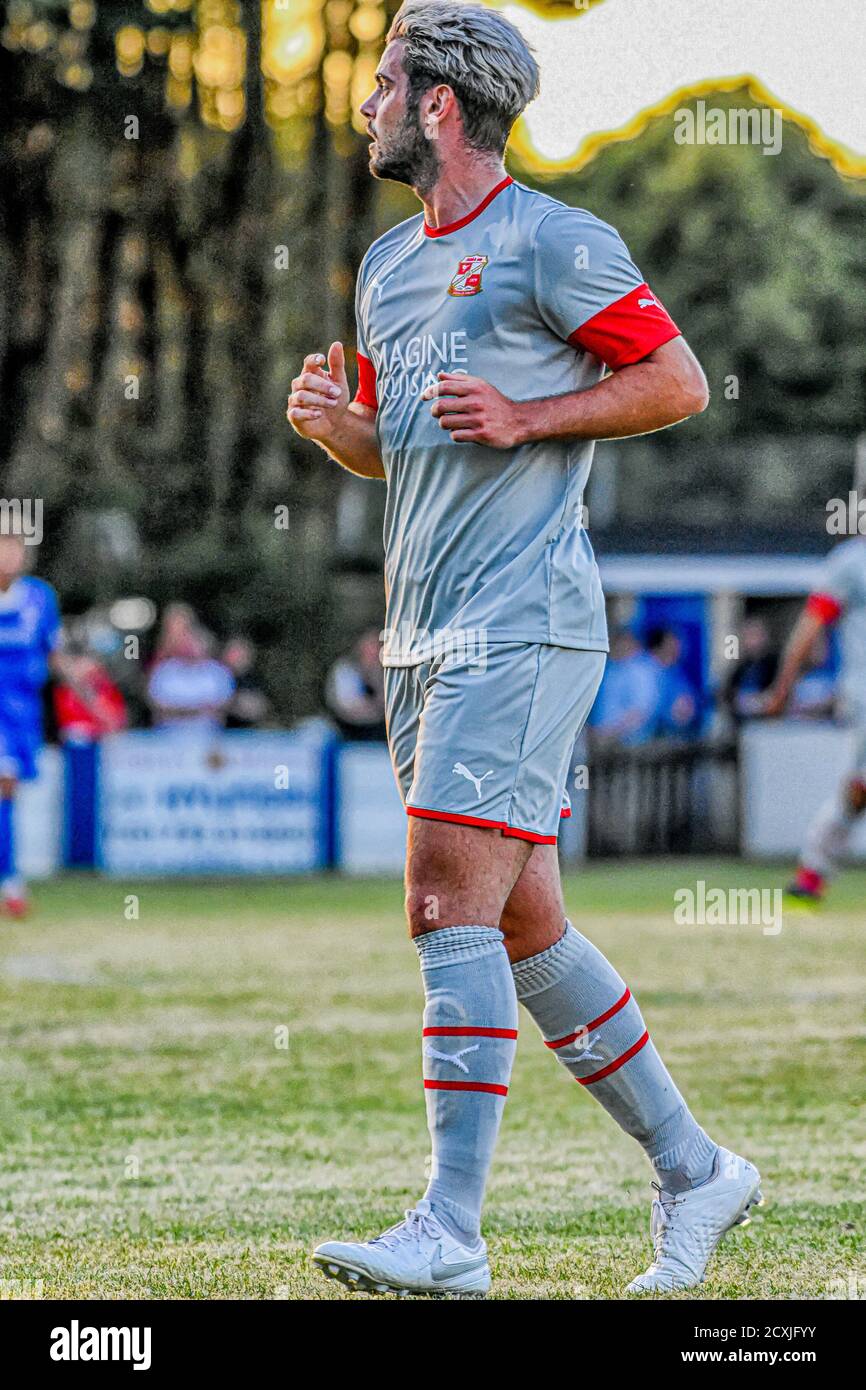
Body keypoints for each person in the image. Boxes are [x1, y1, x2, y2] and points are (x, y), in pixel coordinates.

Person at [287, 1, 759, 1298]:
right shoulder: (388, 267)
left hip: (525, 621)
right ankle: (693, 1166)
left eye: (385, 82)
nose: (367, 102)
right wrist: (342, 431)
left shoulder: (553, 240)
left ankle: (448, 1227)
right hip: (425, 635)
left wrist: (532, 409)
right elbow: (417, 452)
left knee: (443, 896)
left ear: (438, 104)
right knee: (518, 920)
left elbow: (673, 380)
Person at [765, 535, 866, 904]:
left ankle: (812, 872)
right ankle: (812, 872)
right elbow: (810, 627)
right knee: (858, 790)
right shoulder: (852, 562)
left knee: (858, 790)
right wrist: (782, 688)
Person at [0, 533, 62, 917]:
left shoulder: (40, 597)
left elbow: (51, 652)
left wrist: (85, 690)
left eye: (16, 547)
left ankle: (9, 878)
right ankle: (11, 882)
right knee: (4, 782)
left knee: (9, 793)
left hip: (23, 712)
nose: (10, 554)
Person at [147, 625, 235, 733]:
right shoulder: (164, 671)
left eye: (195, 643)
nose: (190, 648)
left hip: (208, 734)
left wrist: (181, 709)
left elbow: (223, 705)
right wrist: (196, 709)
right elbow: (158, 705)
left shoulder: (218, 673)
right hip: (168, 734)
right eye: (187, 644)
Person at [588, 626, 659, 746]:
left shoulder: (640, 672)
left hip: (629, 745)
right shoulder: (611, 668)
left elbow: (640, 712)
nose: (618, 647)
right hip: (600, 740)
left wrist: (609, 733)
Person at [53, 640, 128, 742]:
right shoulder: (63, 691)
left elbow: (114, 723)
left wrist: (88, 695)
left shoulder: (104, 688)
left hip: (102, 742)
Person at [324, 628, 387, 741]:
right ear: (361, 648)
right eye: (370, 647)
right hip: (347, 728)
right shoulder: (345, 669)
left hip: (375, 728)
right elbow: (349, 706)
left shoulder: (381, 671)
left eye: (376, 647)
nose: (373, 652)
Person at [722, 615, 778, 722]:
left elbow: (779, 692)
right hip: (742, 724)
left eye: (755, 635)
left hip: (767, 724)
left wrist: (762, 699)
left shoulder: (775, 664)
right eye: (748, 635)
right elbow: (727, 694)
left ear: (764, 637)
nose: (752, 640)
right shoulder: (740, 668)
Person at [646, 627, 700, 739]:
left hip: (679, 736)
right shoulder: (647, 672)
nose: (678, 647)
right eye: (672, 643)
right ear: (658, 647)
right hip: (652, 737)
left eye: (678, 643)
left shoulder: (677, 673)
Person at [222, 637, 271, 729]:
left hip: (246, 732)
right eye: (235, 654)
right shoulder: (215, 677)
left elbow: (259, 709)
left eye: (242, 655)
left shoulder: (253, 680)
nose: (238, 659)